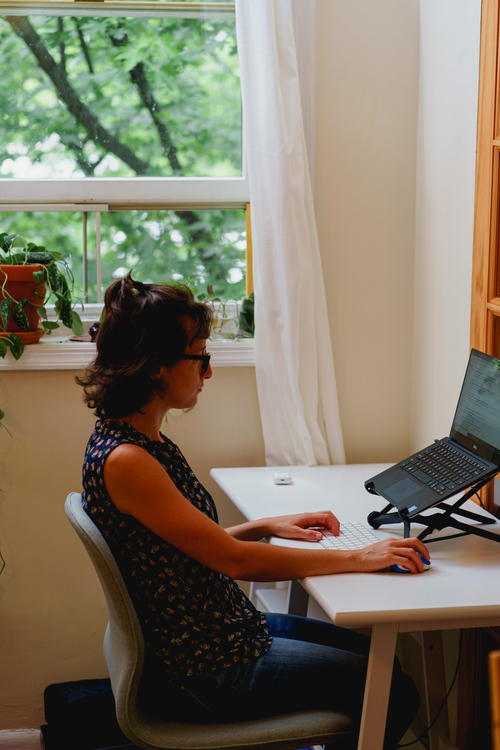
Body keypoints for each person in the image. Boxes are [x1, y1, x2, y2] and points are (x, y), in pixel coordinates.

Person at [77, 274, 426, 749]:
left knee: (381, 658)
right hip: (203, 669)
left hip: (221, 632)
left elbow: (181, 545)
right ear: (156, 367)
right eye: (200, 357)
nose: (208, 372)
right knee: (393, 689)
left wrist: (265, 525)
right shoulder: (128, 460)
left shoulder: (139, 439)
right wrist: (358, 557)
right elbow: (236, 564)